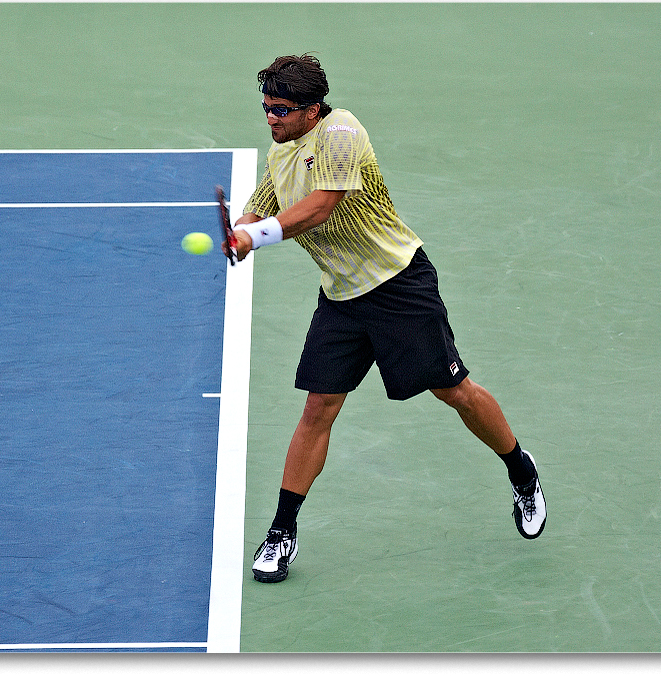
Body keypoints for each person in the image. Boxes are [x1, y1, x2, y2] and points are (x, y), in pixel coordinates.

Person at [228, 54, 546, 584]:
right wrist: (240, 230)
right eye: (266, 107)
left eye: (280, 109)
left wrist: (254, 238)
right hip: (342, 296)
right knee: (318, 408)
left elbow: (321, 206)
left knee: (454, 391)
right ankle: (283, 530)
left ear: (312, 110)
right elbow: (263, 204)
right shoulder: (282, 149)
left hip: (399, 285)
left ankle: (521, 468)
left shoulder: (342, 132)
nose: (270, 118)